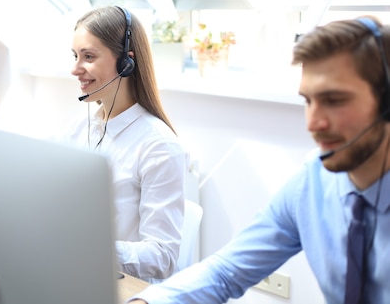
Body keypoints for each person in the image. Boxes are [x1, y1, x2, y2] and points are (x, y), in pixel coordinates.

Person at [130, 16, 390, 303]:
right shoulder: (312, 182)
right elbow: (226, 272)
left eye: (335, 100)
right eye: (308, 101)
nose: (314, 122)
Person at [66, 6, 186, 282]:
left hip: (120, 288)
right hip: (76, 276)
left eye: (88, 56)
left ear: (126, 63)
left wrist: (93, 250)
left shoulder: (159, 146)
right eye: (75, 56)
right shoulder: (80, 127)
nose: (75, 69)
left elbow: (162, 256)